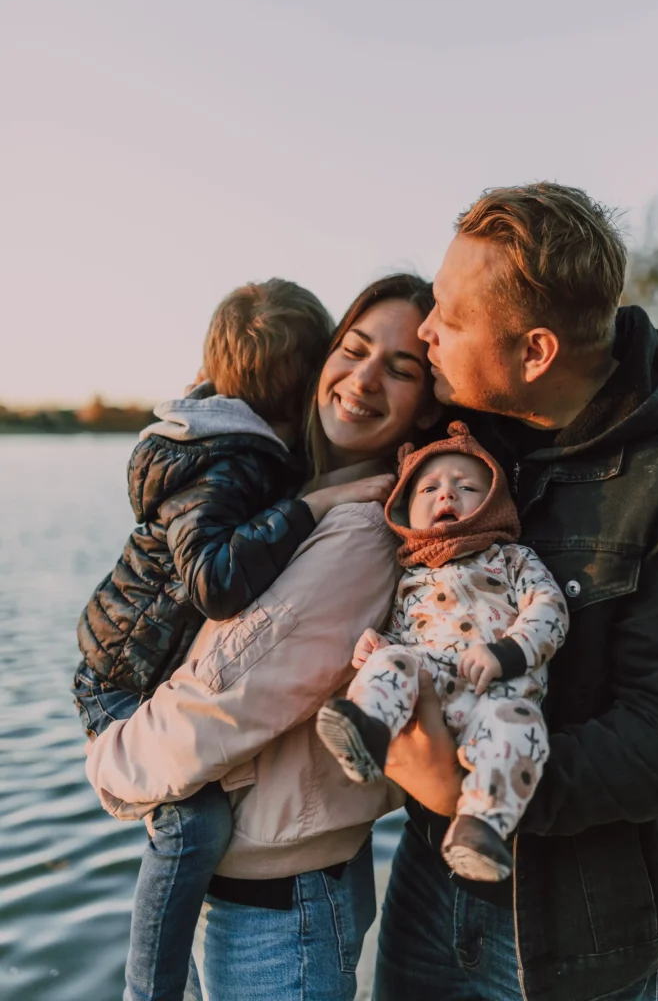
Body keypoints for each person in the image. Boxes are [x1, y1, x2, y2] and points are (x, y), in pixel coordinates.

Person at [374, 183, 658, 1001]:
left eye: (450, 313)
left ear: (537, 352)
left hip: (592, 936)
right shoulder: (466, 440)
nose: (426, 329)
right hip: (429, 894)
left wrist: (469, 786)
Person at [83, 274, 440, 1001]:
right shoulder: (282, 486)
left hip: (284, 914)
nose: (364, 379)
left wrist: (109, 762)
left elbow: (221, 702)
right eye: (354, 348)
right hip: (260, 898)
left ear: (428, 404)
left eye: (401, 369)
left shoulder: (363, 525)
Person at [317, 421, 568, 881]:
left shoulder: (511, 559)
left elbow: (549, 608)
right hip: (433, 687)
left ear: (495, 501)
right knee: (389, 662)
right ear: (406, 513)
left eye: (467, 486)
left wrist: (509, 651)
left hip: (497, 693)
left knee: (521, 728)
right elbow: (405, 641)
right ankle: (370, 730)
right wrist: (380, 646)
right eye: (428, 488)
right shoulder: (410, 580)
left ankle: (480, 826)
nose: (446, 495)